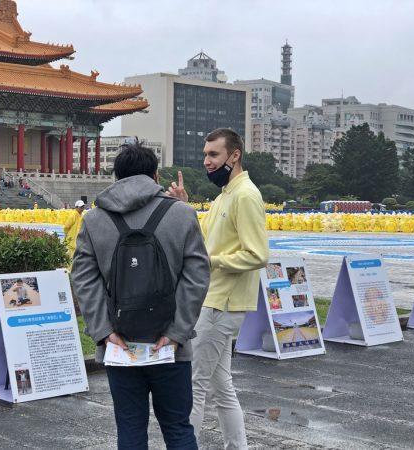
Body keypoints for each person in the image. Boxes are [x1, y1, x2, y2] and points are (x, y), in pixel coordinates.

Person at [72, 141, 210, 449]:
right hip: (170, 347)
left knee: (130, 430)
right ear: (155, 176)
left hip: (120, 345)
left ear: (117, 177)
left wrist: (104, 332)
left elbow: (83, 277)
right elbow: (197, 276)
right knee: (177, 428)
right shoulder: (182, 215)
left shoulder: (94, 220)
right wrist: (177, 333)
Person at [167, 128, 269, 449]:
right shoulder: (226, 195)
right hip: (214, 300)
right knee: (221, 384)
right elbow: (204, 235)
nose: (206, 161)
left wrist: (210, 261)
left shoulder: (245, 195)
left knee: (193, 384)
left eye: (213, 154)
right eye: (205, 154)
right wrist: (185, 206)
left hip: (221, 304)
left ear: (234, 155)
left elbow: (257, 254)